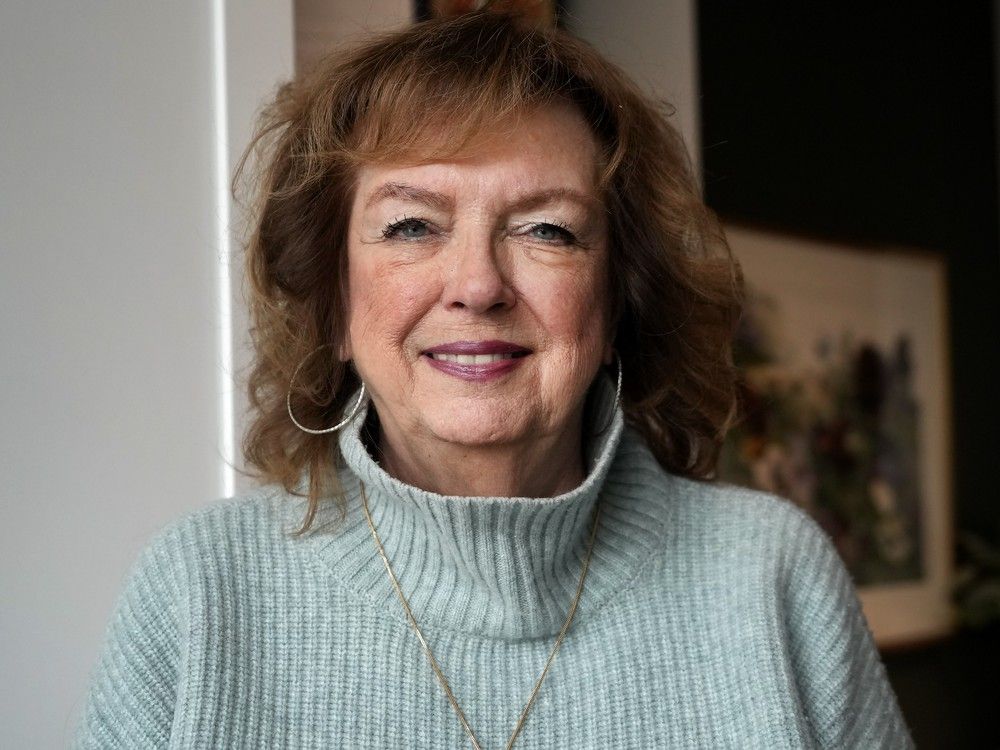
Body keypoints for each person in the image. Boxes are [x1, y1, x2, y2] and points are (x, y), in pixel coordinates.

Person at [73, 8, 914, 749]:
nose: (477, 285)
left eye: (546, 230)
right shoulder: (197, 595)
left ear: (620, 296)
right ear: (331, 302)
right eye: (410, 226)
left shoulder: (774, 579)